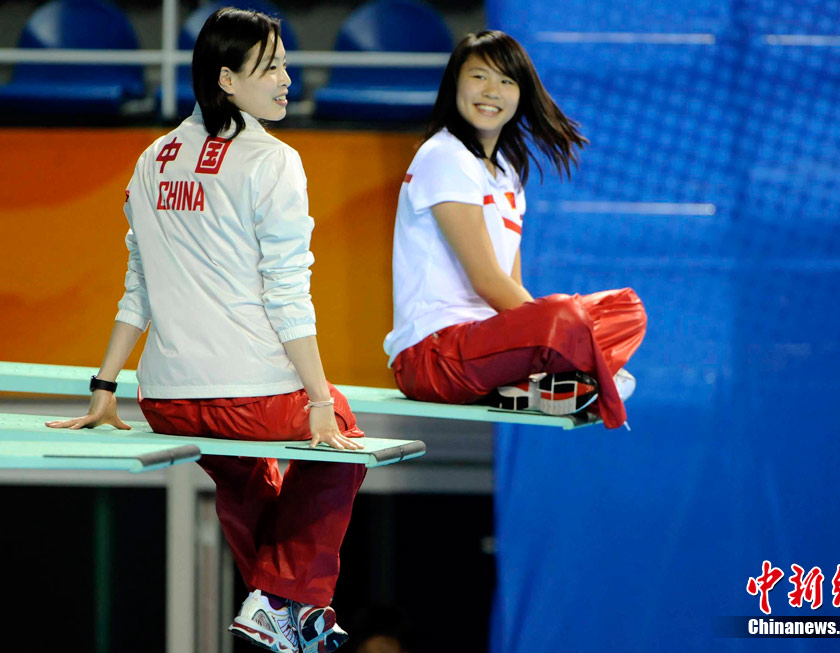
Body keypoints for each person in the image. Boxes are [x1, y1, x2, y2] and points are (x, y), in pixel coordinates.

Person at [47, 8, 362, 653]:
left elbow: (137, 288)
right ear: (226, 78)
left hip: (166, 403)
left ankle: (283, 613)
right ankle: (284, 598)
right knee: (340, 430)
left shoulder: (151, 158)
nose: (286, 78)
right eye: (269, 67)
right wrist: (320, 399)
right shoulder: (274, 161)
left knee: (253, 480)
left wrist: (105, 388)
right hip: (250, 400)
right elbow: (288, 295)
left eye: (284, 64)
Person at [384, 30, 648, 430]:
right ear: (455, 83)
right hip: (431, 357)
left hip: (486, 346)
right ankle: (574, 378)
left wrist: (551, 335)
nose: (492, 91)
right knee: (563, 316)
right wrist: (556, 332)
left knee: (626, 309)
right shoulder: (444, 155)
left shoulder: (507, 172)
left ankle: (542, 384)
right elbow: (488, 281)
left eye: (506, 81)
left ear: (521, 94)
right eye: (479, 76)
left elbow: (512, 284)